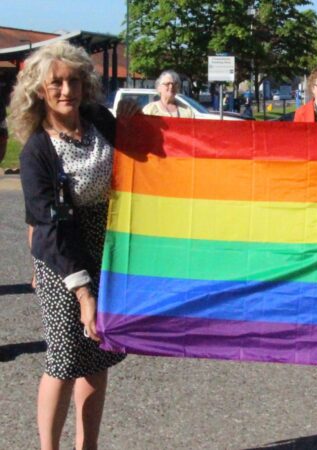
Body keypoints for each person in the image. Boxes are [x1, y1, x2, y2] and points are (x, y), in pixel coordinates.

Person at [9, 41, 134, 450]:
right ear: (39, 91)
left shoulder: (99, 119)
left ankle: (88, 446)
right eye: (56, 83)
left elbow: (140, 159)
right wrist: (83, 293)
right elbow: (48, 227)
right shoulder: (36, 153)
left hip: (106, 250)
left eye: (74, 80)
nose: (67, 90)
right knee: (64, 359)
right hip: (60, 259)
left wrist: (136, 125)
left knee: (97, 353)